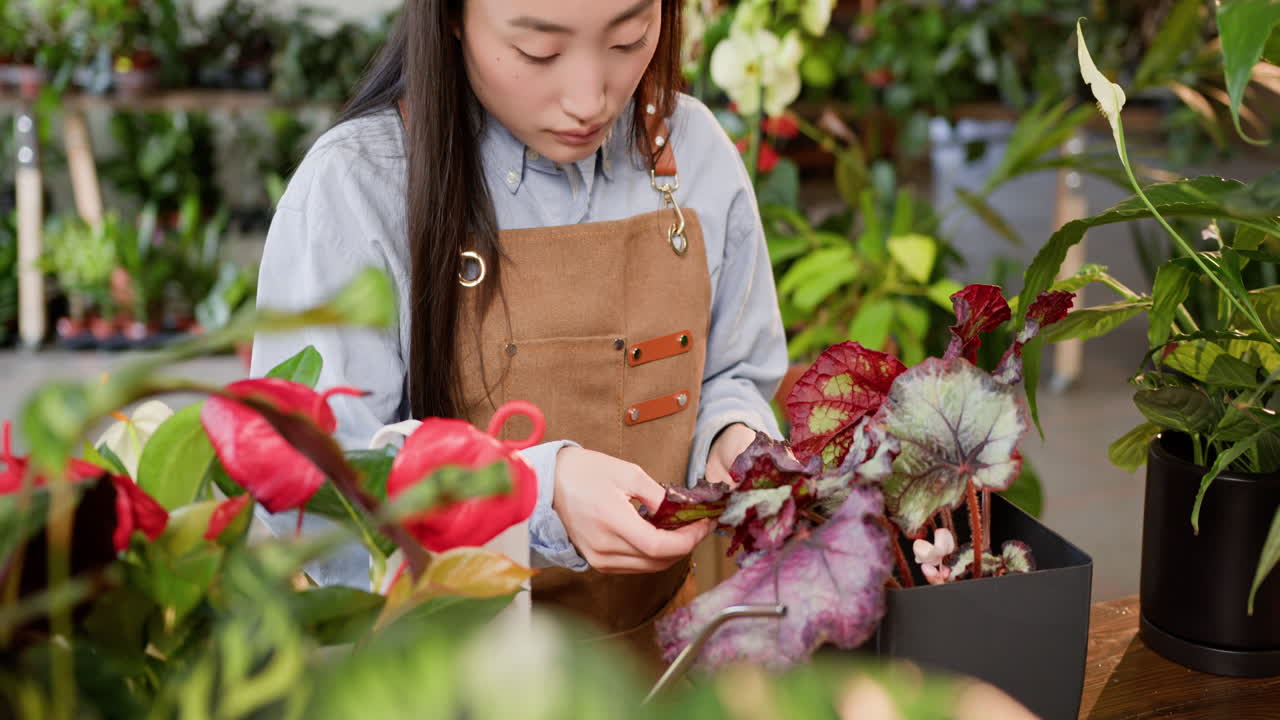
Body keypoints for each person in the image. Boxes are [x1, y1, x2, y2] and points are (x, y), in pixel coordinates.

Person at [250, 0, 787, 659]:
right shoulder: (358, 183)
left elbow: (732, 371)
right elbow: (317, 490)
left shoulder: (693, 149)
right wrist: (534, 491)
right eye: (539, 51)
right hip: (442, 682)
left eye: (628, 38)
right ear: (450, 17)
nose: (589, 98)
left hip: (657, 673)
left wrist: (734, 436)